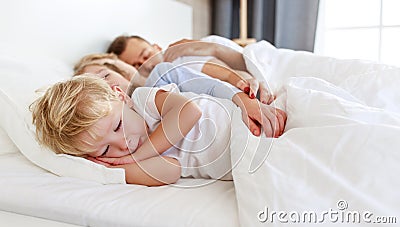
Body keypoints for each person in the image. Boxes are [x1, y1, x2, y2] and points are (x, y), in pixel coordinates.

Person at [31, 75, 286, 186]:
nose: (124, 144)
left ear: (121, 96)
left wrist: (137, 156)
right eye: (106, 149)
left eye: (118, 126)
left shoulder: (144, 100)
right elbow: (171, 171)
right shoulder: (130, 159)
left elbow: (189, 112)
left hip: (246, 125)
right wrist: (119, 166)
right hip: (246, 161)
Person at [74, 53, 273, 137]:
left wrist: (245, 96)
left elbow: (217, 83)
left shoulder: (162, 75)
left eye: (105, 76)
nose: (106, 86)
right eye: (95, 87)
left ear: (121, 71)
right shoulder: (121, 130)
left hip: (243, 112)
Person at [107, 35, 274, 104]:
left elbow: (228, 73)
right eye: (137, 65)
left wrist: (248, 82)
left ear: (157, 47)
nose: (147, 64)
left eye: (146, 55)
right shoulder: (150, 88)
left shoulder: (180, 58)